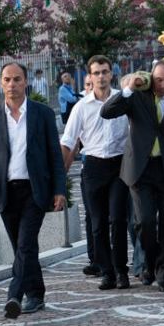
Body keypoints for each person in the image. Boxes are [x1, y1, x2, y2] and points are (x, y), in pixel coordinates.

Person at [0, 62, 66, 319]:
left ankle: (14, 295)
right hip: (6, 192)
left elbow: (54, 156)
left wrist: (59, 189)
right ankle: (36, 295)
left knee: (25, 245)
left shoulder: (42, 114)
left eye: (16, 79)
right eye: (7, 80)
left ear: (25, 82)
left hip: (35, 191)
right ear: (1, 83)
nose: (11, 85)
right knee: (23, 248)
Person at [100, 60, 164, 293]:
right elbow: (106, 112)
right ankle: (149, 260)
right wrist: (128, 89)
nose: (163, 85)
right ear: (151, 77)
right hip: (140, 170)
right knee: (144, 221)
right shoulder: (137, 96)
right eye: (159, 80)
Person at [60, 55, 132, 291]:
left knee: (118, 219)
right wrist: (60, 178)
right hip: (93, 166)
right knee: (98, 223)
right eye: (96, 73)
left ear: (111, 74)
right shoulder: (81, 107)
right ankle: (106, 271)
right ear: (89, 77)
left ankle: (121, 269)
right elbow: (68, 141)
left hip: (119, 166)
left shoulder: (123, 101)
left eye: (105, 72)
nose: (101, 76)